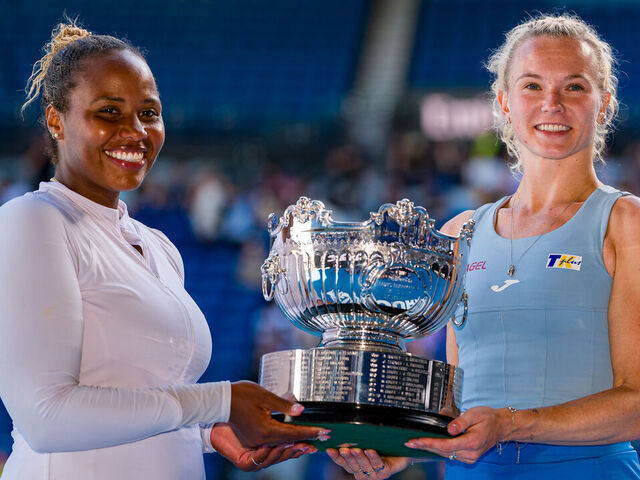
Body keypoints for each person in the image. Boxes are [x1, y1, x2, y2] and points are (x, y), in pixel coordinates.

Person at [0, 21, 330, 480]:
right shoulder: (31, 220)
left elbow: (147, 397)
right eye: (109, 111)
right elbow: (46, 417)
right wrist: (221, 401)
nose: (135, 131)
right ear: (56, 120)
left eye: (149, 112)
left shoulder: (158, 247)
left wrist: (210, 429)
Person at [328, 13, 640, 479]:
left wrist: (515, 424)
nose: (551, 103)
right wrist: (407, 445)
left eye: (574, 87)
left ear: (604, 103)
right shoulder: (460, 233)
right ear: (504, 101)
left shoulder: (626, 223)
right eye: (532, 85)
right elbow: (460, 398)